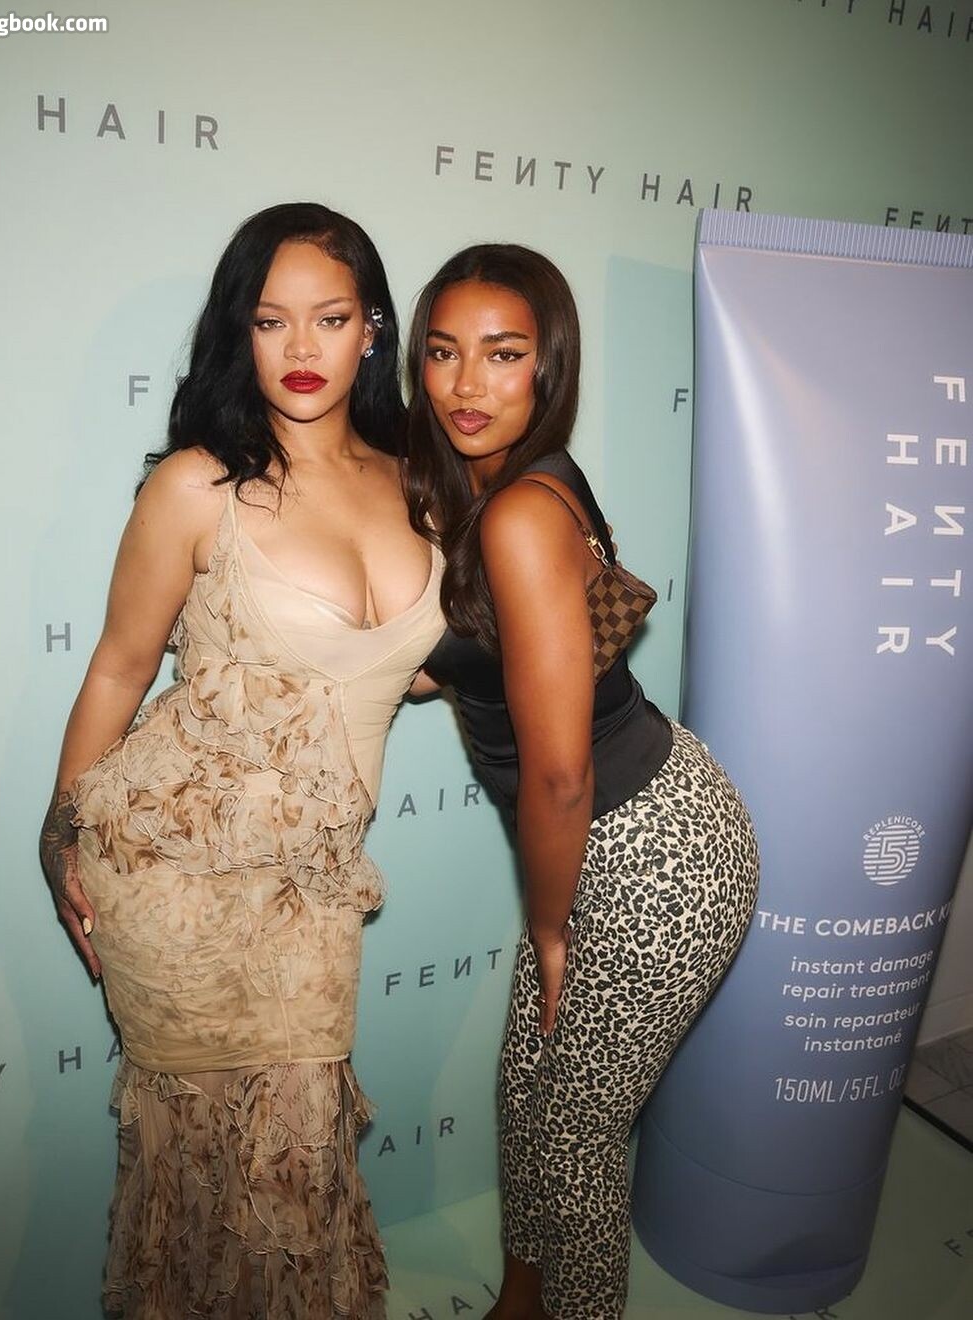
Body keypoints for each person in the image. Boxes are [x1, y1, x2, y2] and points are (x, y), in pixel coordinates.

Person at [39, 202, 444, 1320]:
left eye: (330, 319)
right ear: (241, 333)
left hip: (312, 895)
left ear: (373, 329)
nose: (301, 348)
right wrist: (58, 833)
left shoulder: (422, 482)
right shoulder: (196, 485)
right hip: (176, 886)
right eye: (271, 322)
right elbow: (120, 671)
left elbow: (408, 665)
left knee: (298, 1182)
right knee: (196, 1185)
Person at [404, 244, 759, 1320]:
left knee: (577, 1136)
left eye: (502, 354)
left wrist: (551, 931)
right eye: (443, 353)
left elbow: (558, 776)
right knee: (530, 1092)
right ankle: (522, 1297)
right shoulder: (507, 485)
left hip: (652, 856)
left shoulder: (520, 511)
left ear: (547, 365)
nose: (467, 384)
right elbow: (491, 649)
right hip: (618, 831)